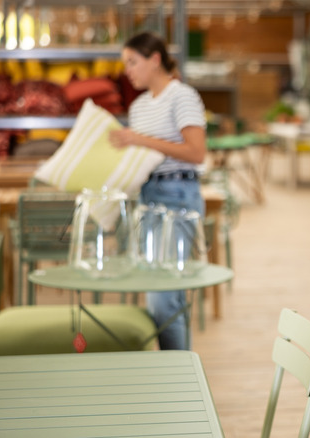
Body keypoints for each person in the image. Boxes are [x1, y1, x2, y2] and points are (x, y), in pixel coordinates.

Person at [109, 32, 207, 350]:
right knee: (156, 293)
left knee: (165, 297)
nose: (128, 70)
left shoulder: (182, 96)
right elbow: (144, 157)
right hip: (148, 196)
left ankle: (179, 373)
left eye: (132, 62)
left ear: (154, 59)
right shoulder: (138, 106)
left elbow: (196, 153)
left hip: (179, 194)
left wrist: (138, 140)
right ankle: (172, 367)